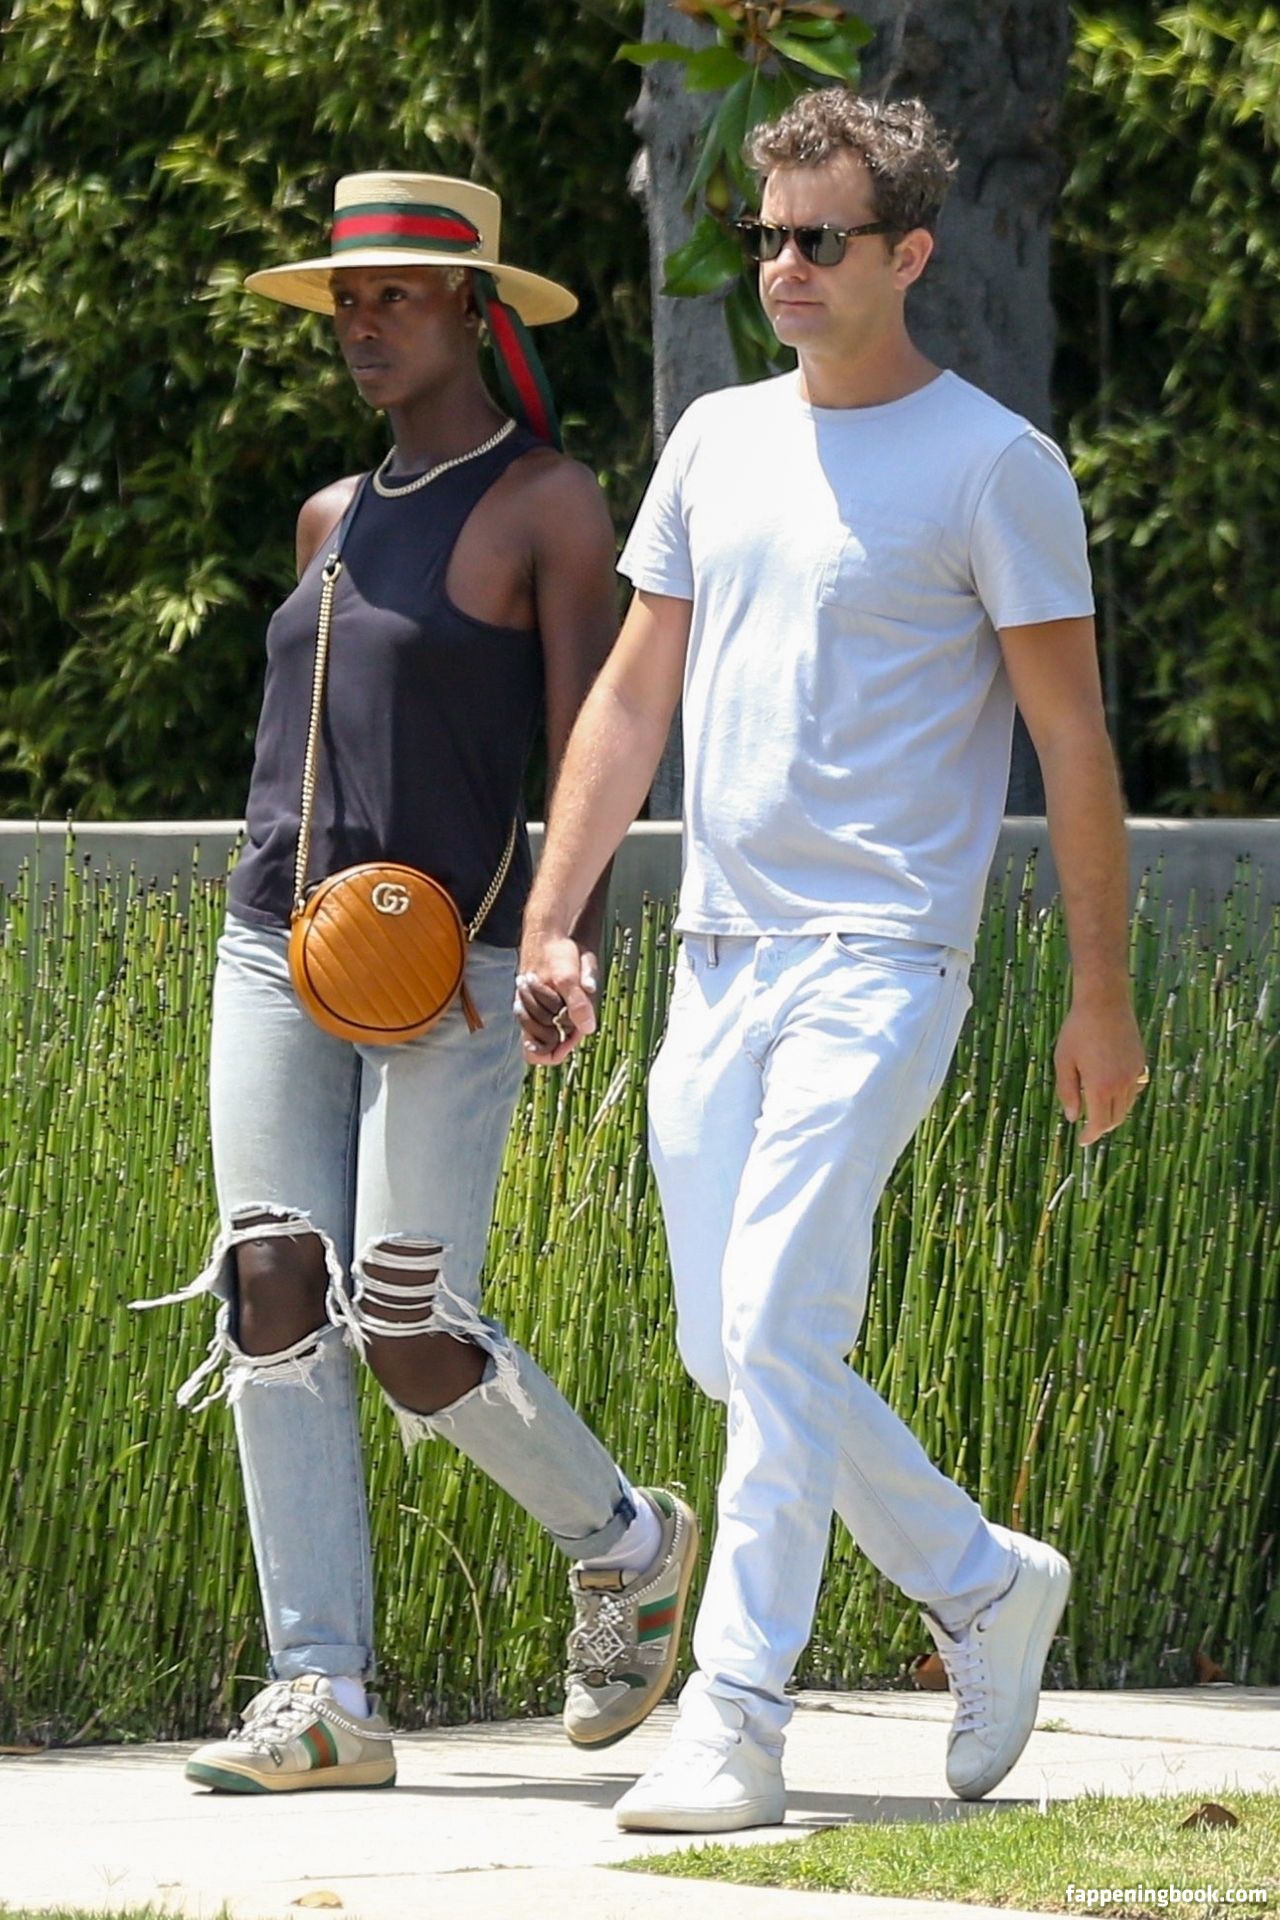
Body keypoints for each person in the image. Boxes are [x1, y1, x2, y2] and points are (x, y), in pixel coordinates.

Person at [516, 93, 1147, 1834]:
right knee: (737, 1347)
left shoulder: (996, 467)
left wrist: (1101, 997)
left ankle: (739, 1717)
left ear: (910, 254)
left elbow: (1073, 745)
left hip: (884, 956)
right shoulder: (716, 441)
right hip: (718, 957)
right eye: (767, 237)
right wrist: (558, 915)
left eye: (820, 239)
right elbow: (633, 692)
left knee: (783, 1316)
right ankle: (980, 1581)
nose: (782, 266)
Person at [135, 172, 697, 1794]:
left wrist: (570, 937)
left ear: (471, 308)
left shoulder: (550, 505)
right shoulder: (331, 516)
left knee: (405, 1327)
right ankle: (322, 1694)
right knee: (268, 1283)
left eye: (395, 295)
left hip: (463, 960)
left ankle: (625, 1542)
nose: (362, 323)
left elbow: (598, 743)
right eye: (346, 298)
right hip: (277, 942)